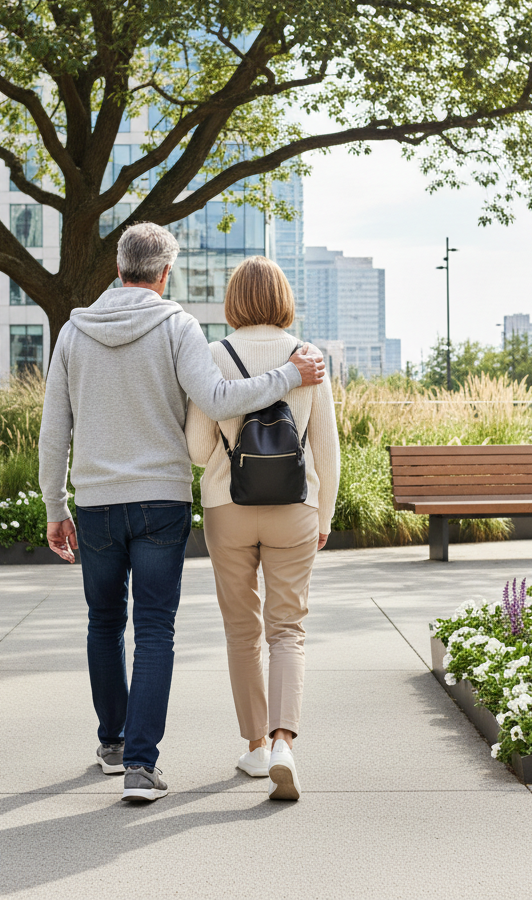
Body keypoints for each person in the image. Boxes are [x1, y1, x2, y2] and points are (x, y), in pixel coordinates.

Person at [38, 223, 325, 804]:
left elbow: (54, 429)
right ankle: (142, 768)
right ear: (164, 273)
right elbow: (218, 401)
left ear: (117, 267)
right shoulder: (177, 326)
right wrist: (288, 377)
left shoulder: (73, 331)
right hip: (161, 502)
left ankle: (112, 746)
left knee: (101, 623)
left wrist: (55, 503)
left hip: (94, 501)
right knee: (153, 629)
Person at [185, 256, 341, 801]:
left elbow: (197, 449)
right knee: (288, 629)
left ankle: (254, 747)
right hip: (295, 508)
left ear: (233, 300)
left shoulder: (212, 355)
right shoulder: (309, 358)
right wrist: (323, 516)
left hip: (227, 508)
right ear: (283, 298)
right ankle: (283, 743)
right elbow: (327, 447)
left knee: (242, 630)